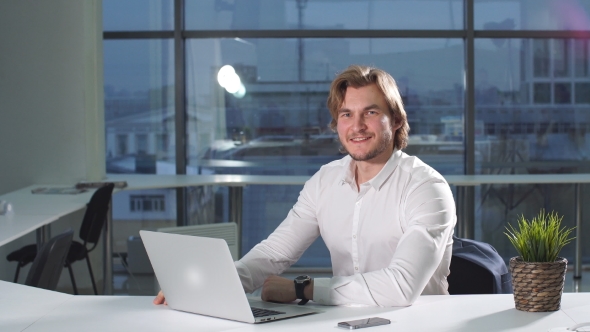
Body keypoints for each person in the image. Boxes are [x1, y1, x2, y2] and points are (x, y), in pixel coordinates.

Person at [154, 65, 456, 307]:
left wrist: (304, 289)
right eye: (347, 114)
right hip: (344, 324)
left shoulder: (426, 187)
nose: (357, 125)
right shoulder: (325, 181)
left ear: (397, 120)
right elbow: (275, 253)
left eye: (371, 112)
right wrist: (210, 281)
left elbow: (401, 287)